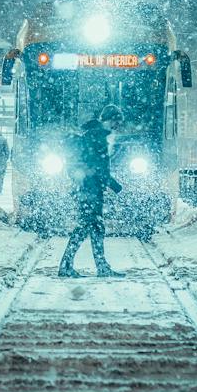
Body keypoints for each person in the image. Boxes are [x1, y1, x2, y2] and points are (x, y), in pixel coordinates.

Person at [58, 104, 125, 279]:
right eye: (116, 122)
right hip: (90, 189)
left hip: (89, 188)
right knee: (85, 227)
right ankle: (66, 266)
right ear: (109, 119)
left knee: (95, 227)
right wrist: (115, 186)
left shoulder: (94, 134)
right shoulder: (96, 136)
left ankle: (100, 267)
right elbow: (98, 167)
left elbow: (94, 165)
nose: (117, 126)